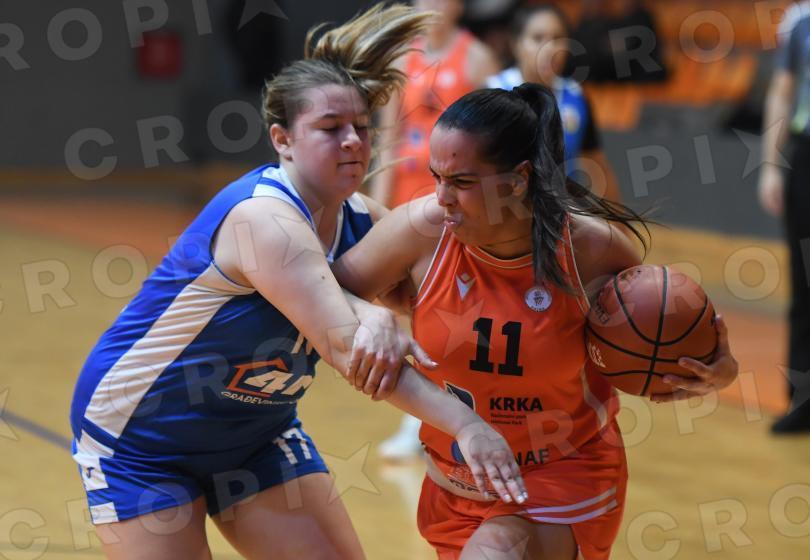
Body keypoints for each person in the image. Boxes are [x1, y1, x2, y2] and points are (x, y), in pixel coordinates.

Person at [69, 6, 527, 559]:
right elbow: (347, 349)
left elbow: (442, 306)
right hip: (144, 438)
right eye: (331, 129)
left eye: (361, 127)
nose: (353, 141)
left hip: (255, 433)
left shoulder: (364, 219)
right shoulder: (264, 218)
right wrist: (468, 426)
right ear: (282, 139)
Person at [333, 84, 739, 558]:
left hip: (562, 473)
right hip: (455, 478)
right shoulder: (421, 230)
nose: (442, 197)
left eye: (461, 181)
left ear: (518, 179)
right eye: (435, 176)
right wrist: (371, 314)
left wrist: (715, 371)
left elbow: (656, 345)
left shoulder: (593, 251)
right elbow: (322, 297)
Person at [486, 3, 622, 203]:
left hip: (562, 214)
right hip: (504, 214)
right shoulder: (492, 95)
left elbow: (599, 167)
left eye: (557, 39)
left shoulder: (575, 96)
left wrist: (614, 220)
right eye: (538, 38)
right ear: (516, 44)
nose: (549, 49)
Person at [370, 0, 500, 209]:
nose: (432, 4)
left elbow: (493, 138)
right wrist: (378, 208)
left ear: (459, 6)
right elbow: (388, 139)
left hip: (456, 186)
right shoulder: (400, 60)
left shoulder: (479, 58)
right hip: (407, 184)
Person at [758, 0, 810, 434]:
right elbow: (781, 90)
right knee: (804, 281)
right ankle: (804, 399)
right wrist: (771, 166)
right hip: (806, 157)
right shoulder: (800, 21)